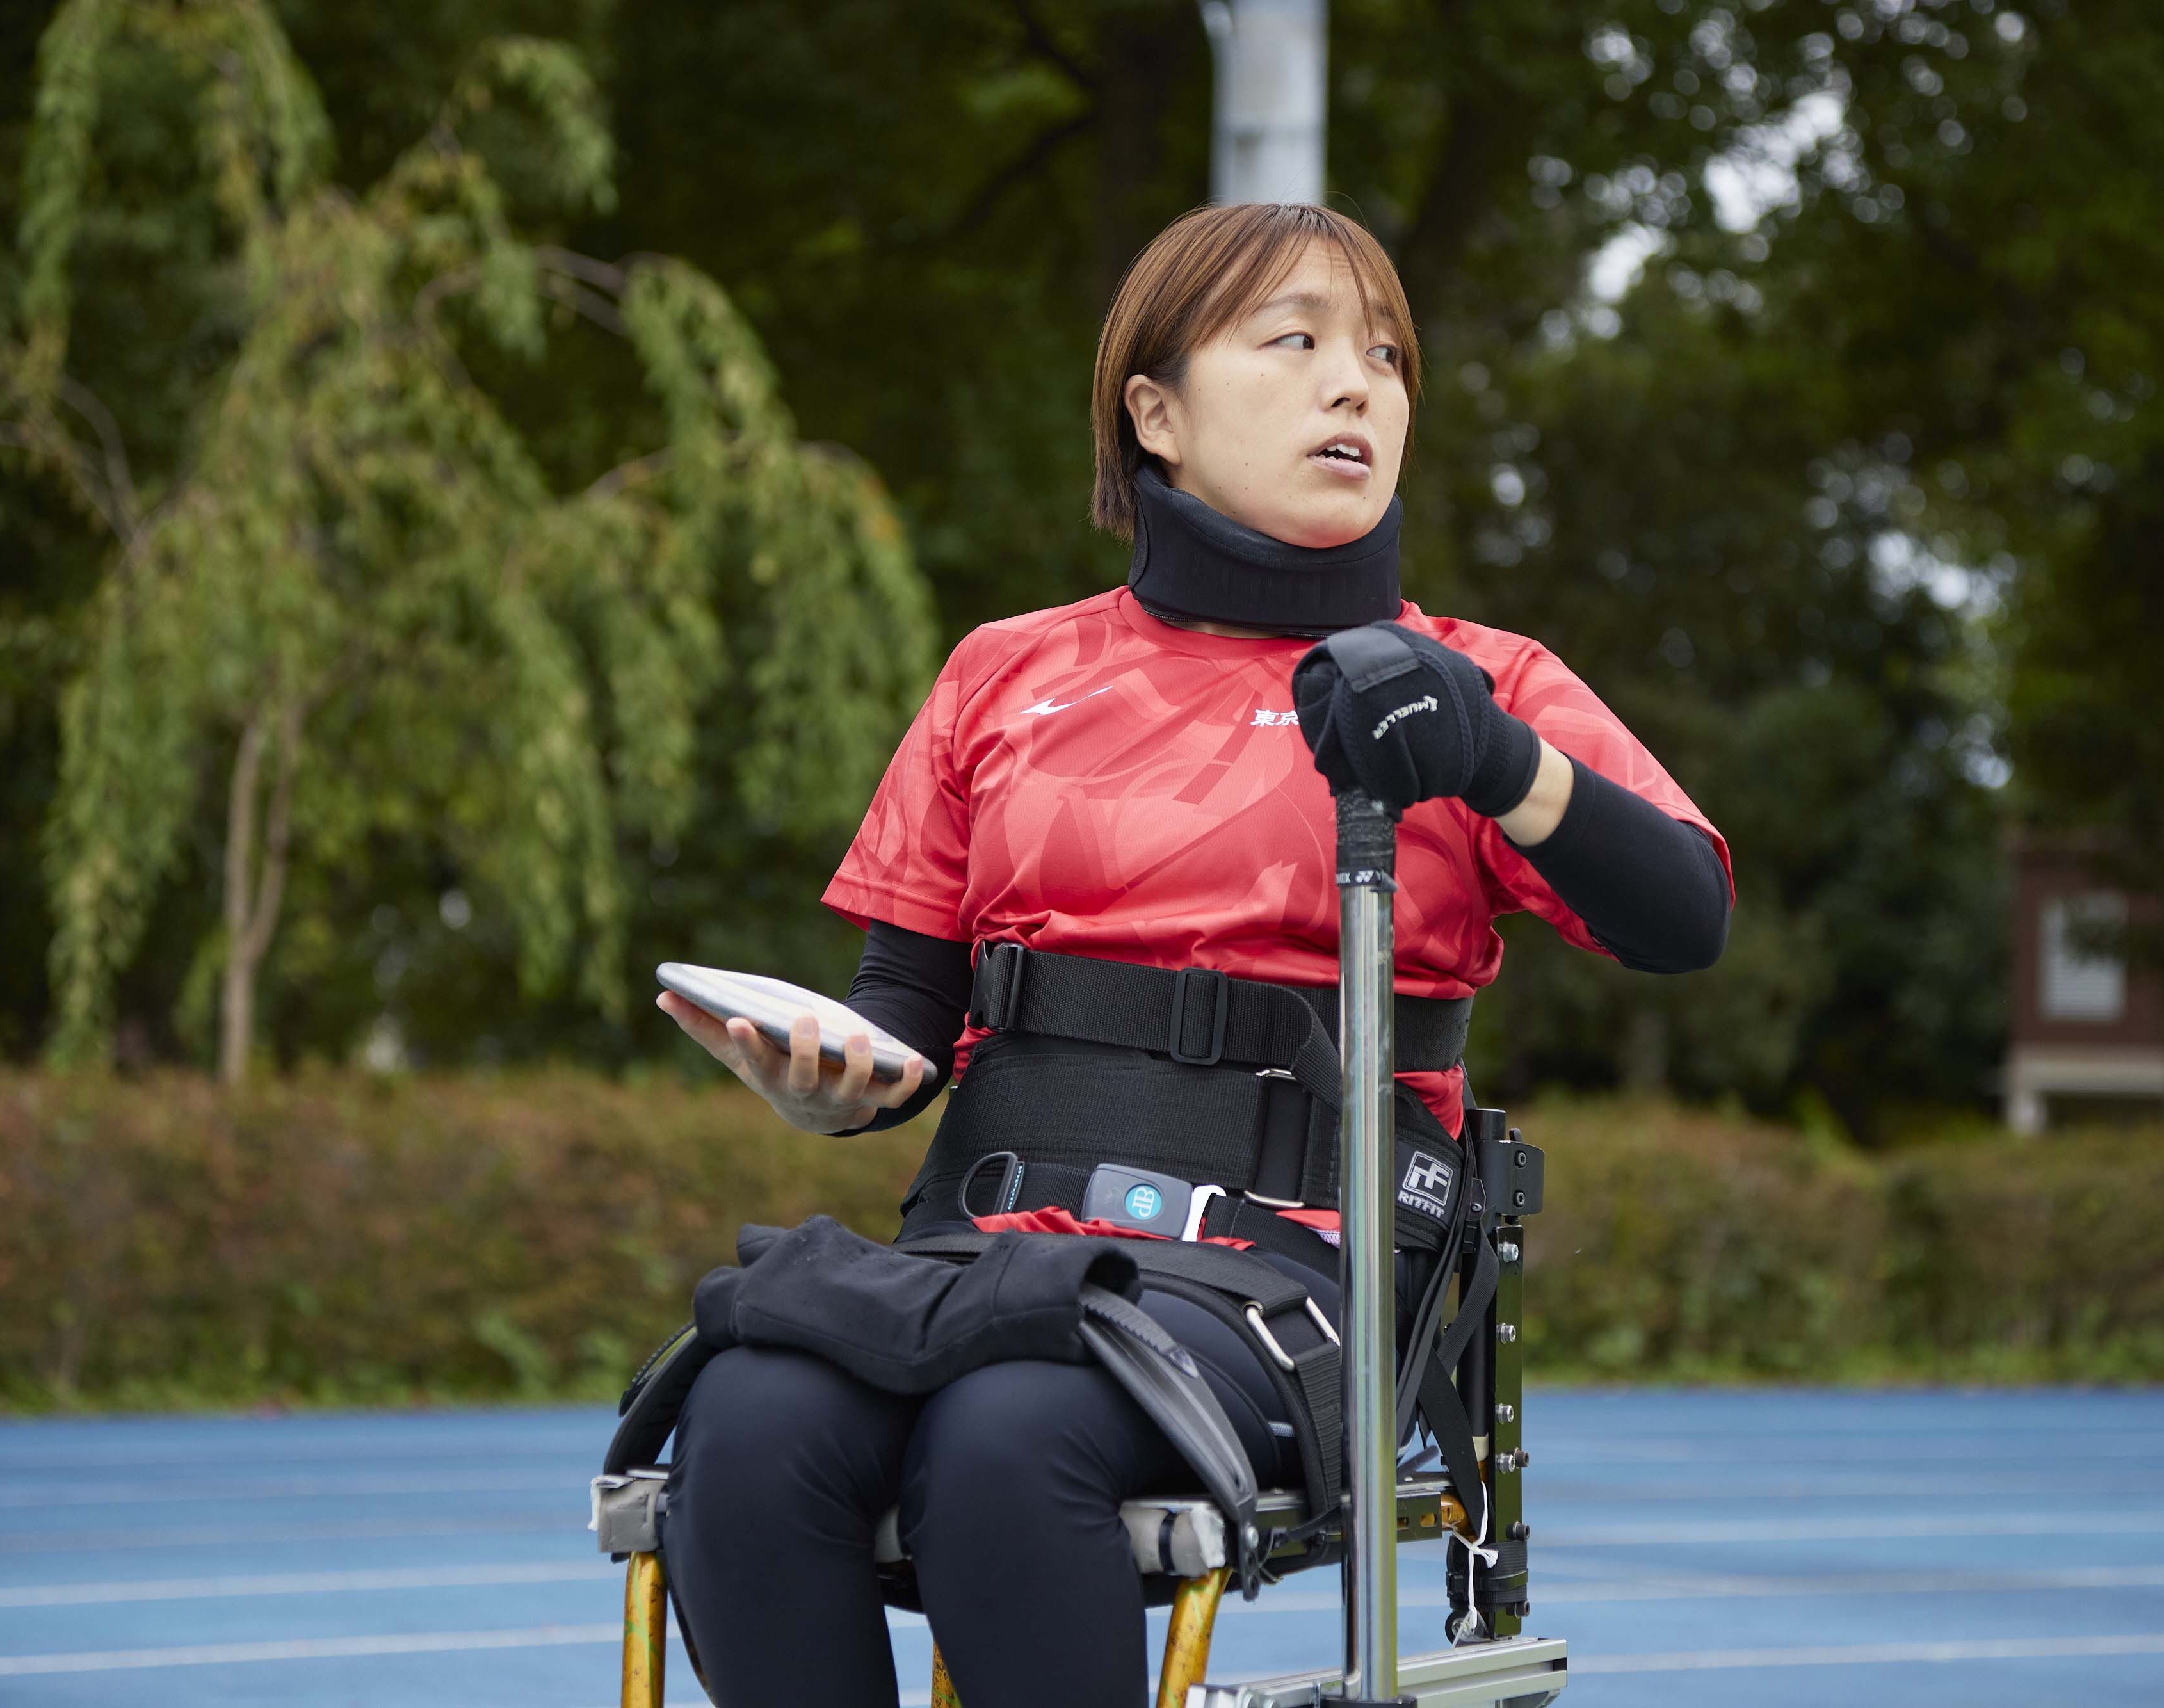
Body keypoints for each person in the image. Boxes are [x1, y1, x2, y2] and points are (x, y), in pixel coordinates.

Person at [652, 203, 1731, 1708]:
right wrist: (834, 1080)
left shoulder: (1475, 684)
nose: (1353, 383)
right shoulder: (1003, 671)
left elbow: (1683, 915)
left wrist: (1497, 759)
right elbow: (906, 1007)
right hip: (986, 1241)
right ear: (1152, 414)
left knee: (1006, 1432)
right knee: (747, 1420)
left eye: (1384, 356)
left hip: (1287, 1270)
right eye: (1295, 341)